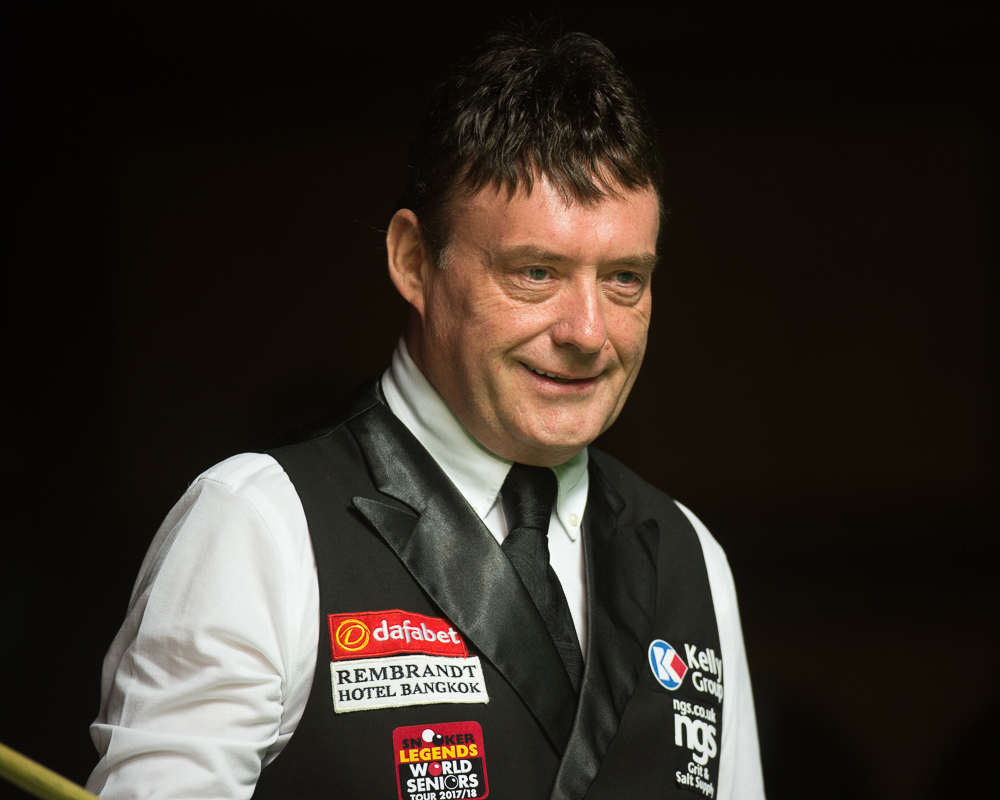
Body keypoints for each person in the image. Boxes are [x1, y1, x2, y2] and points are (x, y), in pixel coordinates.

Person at [87, 29, 765, 800]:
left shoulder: (689, 557)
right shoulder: (257, 528)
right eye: (536, 272)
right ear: (414, 261)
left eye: (624, 280)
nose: (587, 331)